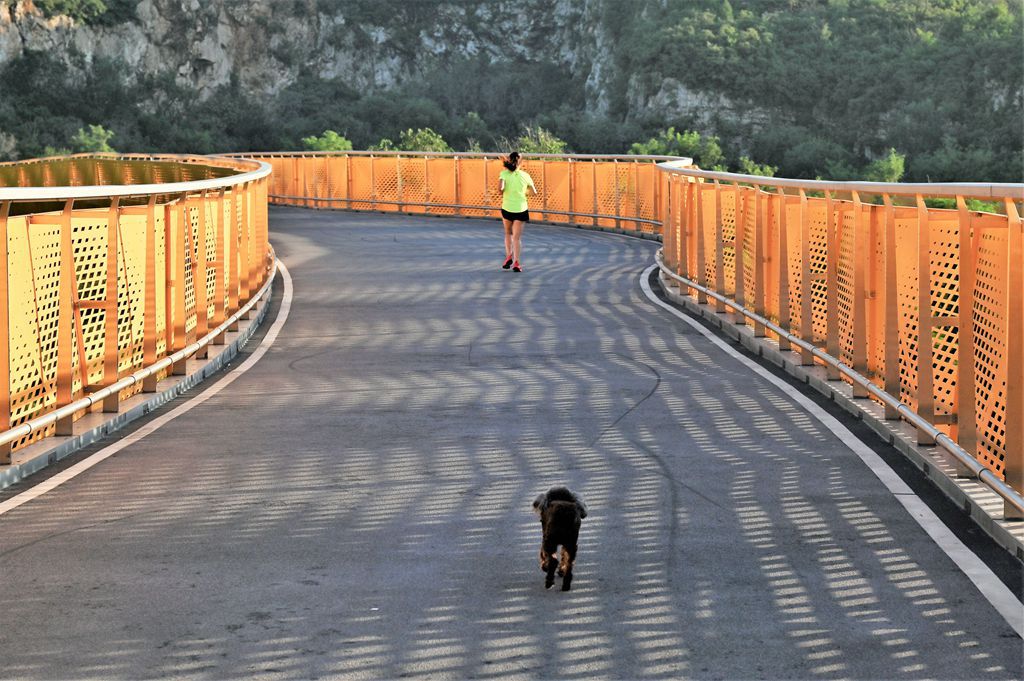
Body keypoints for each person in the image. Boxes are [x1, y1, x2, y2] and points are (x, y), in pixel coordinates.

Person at [498, 151, 537, 272]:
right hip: (521, 208)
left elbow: (500, 189)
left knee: (507, 233)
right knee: (516, 237)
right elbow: (534, 192)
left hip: (507, 208)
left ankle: (508, 256)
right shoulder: (525, 175)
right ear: (521, 162)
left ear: (510, 160)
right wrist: (524, 192)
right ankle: (516, 262)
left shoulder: (504, 174)